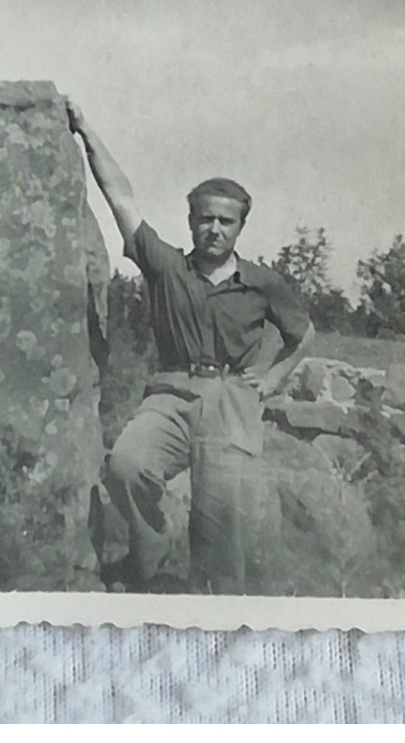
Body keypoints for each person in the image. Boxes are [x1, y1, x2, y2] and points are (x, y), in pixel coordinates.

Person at [66, 99, 315, 594]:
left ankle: (211, 609)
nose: (214, 229)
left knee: (222, 535)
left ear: (241, 226)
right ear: (191, 221)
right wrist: (85, 131)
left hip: (231, 403)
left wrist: (270, 380)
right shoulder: (167, 267)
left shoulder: (262, 283)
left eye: (226, 221)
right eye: (205, 219)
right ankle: (152, 563)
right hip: (172, 394)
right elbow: (122, 199)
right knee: (127, 466)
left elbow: (303, 336)